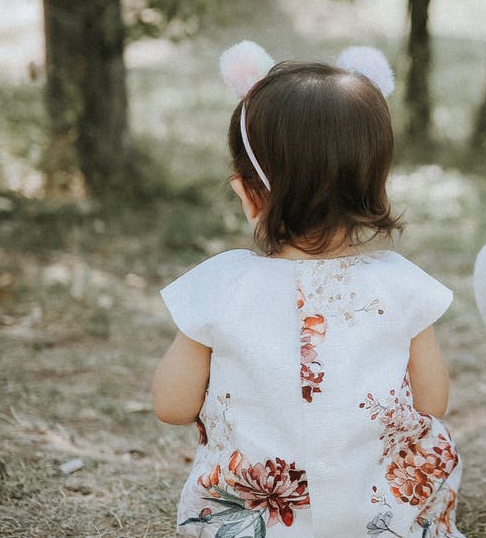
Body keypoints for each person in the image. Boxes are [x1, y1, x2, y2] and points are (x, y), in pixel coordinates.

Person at [151, 41, 463, 537]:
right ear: (374, 186)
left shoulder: (220, 288)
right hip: (380, 522)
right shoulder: (400, 285)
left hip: (258, 523)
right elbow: (432, 402)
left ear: (248, 194)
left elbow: (172, 406)